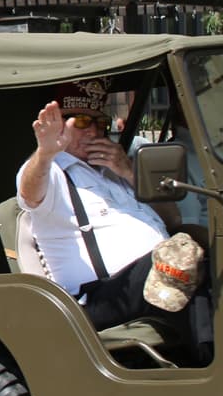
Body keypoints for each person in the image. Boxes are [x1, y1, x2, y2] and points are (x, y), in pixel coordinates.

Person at [16, 78, 210, 349]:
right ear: (59, 125)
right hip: (97, 297)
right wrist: (46, 152)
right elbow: (29, 194)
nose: (94, 132)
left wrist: (129, 172)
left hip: (156, 278)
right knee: (179, 257)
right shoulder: (52, 171)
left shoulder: (114, 169)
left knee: (197, 257)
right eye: (83, 123)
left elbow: (173, 219)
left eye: (101, 124)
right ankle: (209, 361)